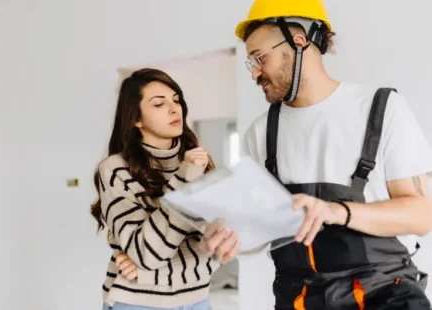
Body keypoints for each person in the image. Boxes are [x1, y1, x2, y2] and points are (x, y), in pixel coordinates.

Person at [226, 0, 432, 309]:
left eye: (260, 58)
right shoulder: (261, 132)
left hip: (383, 295)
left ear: (299, 41)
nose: (255, 73)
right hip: (299, 298)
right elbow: (257, 225)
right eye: (250, 63)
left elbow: (421, 215)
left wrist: (338, 212)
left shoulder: (381, 109)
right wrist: (228, 234)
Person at [90, 68, 240, 310]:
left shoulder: (200, 163)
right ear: (136, 118)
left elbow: (220, 249)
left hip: (198, 299)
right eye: (159, 104)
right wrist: (184, 177)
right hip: (138, 303)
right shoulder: (115, 169)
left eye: (176, 100)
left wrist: (149, 275)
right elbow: (147, 254)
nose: (174, 109)